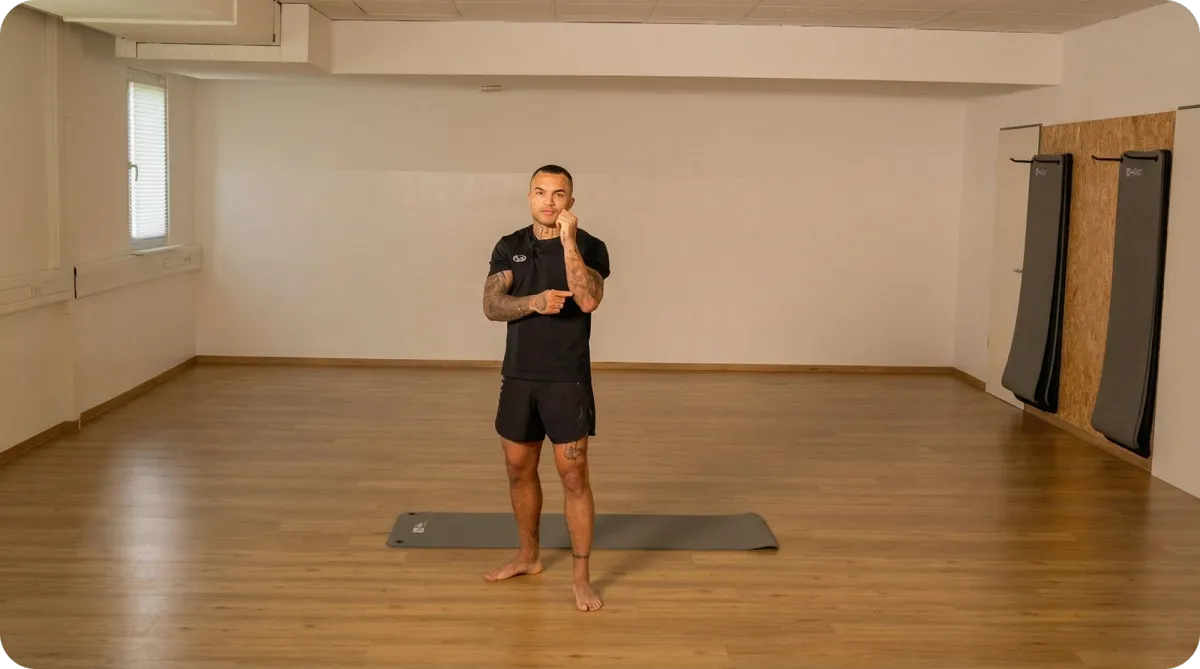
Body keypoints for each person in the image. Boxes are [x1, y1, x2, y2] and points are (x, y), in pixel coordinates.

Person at [480, 164, 611, 612]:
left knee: (573, 476)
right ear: (529, 197)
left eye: (558, 194)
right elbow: (491, 305)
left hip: (566, 378)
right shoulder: (510, 245)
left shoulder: (590, 245)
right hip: (519, 376)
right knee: (518, 469)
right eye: (540, 192)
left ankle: (581, 577)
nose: (549, 201)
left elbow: (588, 299)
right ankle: (528, 557)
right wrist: (535, 302)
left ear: (570, 201)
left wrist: (569, 243)